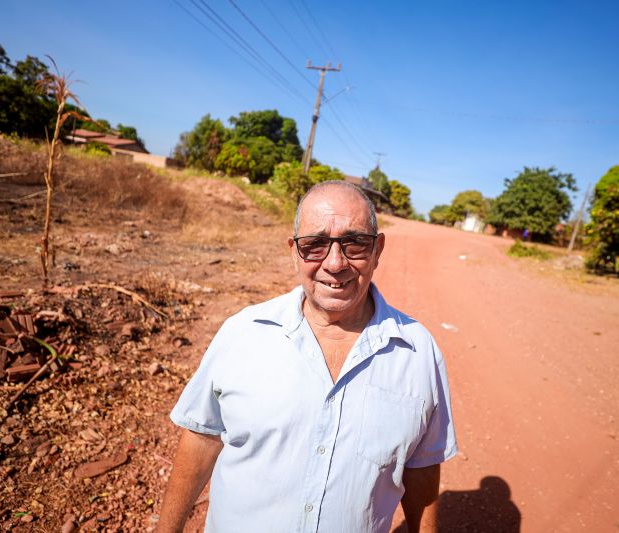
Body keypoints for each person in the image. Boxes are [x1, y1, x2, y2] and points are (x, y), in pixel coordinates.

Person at [158, 181, 457, 533]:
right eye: (314, 245)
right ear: (293, 251)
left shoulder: (418, 353)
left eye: (355, 243)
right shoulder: (242, 333)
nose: (335, 263)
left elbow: (421, 468)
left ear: (378, 250)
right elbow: (201, 438)